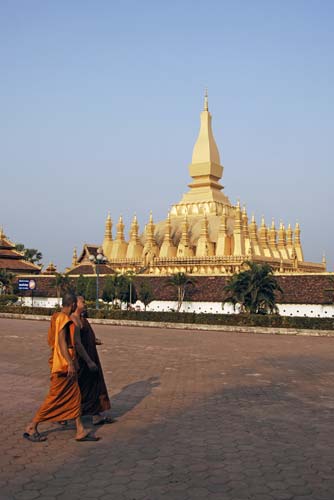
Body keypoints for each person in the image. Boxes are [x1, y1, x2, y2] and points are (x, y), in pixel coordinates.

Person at [23, 293, 100, 443]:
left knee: (75, 396)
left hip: (63, 362)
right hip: (63, 365)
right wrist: (70, 362)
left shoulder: (56, 317)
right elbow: (61, 342)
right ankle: (32, 426)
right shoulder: (64, 319)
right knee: (54, 398)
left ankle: (80, 430)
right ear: (72, 305)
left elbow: (52, 341)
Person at [71, 296, 113, 425]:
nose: (85, 304)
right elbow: (77, 343)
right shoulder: (73, 320)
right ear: (75, 304)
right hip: (83, 360)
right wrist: (88, 361)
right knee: (81, 387)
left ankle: (96, 414)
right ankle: (68, 414)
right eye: (82, 302)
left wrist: (94, 340)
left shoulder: (83, 320)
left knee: (94, 385)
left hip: (91, 356)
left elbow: (85, 336)